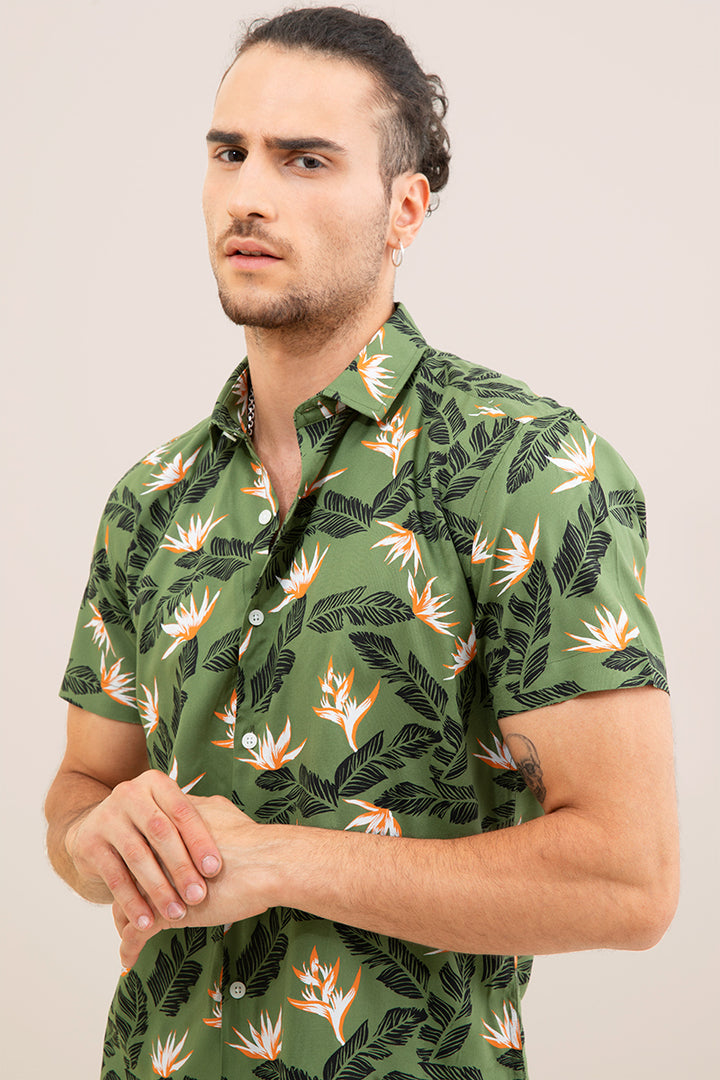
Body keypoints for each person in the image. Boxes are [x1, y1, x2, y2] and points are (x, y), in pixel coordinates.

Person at [45, 7, 679, 1078]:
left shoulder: (525, 466)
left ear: (404, 208)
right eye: (229, 153)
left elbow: (629, 879)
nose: (249, 195)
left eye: (306, 160)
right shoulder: (151, 499)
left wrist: (277, 861)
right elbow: (82, 783)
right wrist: (95, 836)